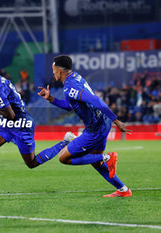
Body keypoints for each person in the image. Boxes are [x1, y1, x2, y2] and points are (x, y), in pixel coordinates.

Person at [0, 65, 76, 197]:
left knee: (32, 163)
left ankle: (65, 142)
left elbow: (10, 115)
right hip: (9, 124)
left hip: (22, 124)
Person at [38, 55, 132, 197]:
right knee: (96, 161)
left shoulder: (70, 87)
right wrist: (51, 99)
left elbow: (95, 99)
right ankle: (123, 190)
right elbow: (71, 105)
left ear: (60, 71)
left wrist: (116, 120)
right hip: (102, 123)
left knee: (63, 158)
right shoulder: (75, 77)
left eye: (53, 70)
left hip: (95, 130)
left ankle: (108, 157)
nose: (53, 73)